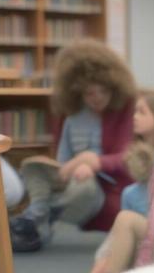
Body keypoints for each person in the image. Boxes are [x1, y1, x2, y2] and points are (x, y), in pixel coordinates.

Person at [10, 39, 136, 252]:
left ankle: (36, 217)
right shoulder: (70, 115)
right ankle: (37, 218)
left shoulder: (124, 110)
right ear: (77, 92)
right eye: (89, 93)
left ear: (114, 87)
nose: (97, 99)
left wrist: (92, 162)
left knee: (83, 183)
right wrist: (65, 167)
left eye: (103, 92)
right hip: (69, 175)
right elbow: (62, 156)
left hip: (104, 183)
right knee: (31, 166)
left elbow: (127, 157)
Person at [65, 93, 154, 273]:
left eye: (142, 112)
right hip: (149, 242)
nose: (134, 117)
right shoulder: (144, 159)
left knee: (126, 219)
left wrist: (140, 268)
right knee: (120, 227)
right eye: (135, 111)